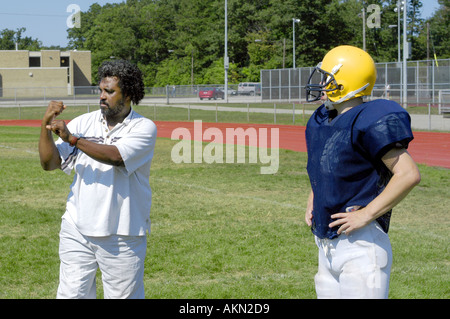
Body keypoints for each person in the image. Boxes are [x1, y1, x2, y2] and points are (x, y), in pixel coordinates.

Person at [304, 45, 421, 299]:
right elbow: (324, 168)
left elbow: (408, 173)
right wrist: (314, 199)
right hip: (327, 245)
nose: (322, 83)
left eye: (328, 78)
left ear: (346, 82)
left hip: (360, 246)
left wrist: (367, 213)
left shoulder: (370, 119)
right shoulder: (323, 119)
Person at [39, 59, 157, 299]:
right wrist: (45, 125)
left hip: (123, 232)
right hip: (77, 228)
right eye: (101, 90)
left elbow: (116, 157)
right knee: (71, 296)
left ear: (129, 94)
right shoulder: (84, 122)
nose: (102, 96)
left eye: (110, 91)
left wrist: (74, 139)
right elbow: (50, 164)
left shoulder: (143, 128)